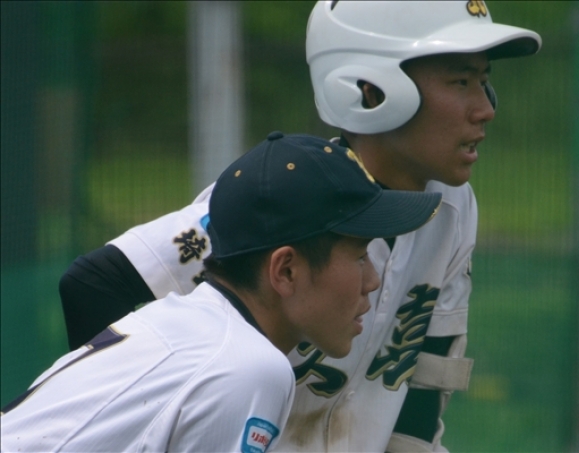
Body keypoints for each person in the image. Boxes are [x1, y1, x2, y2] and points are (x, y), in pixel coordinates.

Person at [58, 1, 542, 452]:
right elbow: (97, 284)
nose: (485, 108)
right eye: (460, 82)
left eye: (484, 82)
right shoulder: (285, 198)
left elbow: (424, 380)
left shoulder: (453, 209)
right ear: (371, 89)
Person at [0, 133, 441, 453]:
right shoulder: (247, 367)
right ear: (285, 270)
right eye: (360, 256)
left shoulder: (185, 325)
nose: (373, 280)